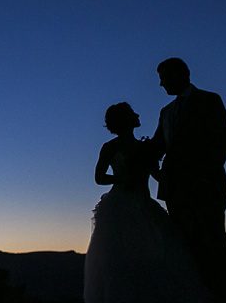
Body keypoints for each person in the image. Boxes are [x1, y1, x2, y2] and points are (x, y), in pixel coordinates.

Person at [84, 102, 207, 303]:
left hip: (144, 204)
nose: (137, 115)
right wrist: (121, 178)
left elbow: (157, 175)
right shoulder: (110, 147)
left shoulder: (145, 148)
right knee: (120, 260)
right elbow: (99, 178)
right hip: (119, 207)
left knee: (156, 257)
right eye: (132, 114)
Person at [151, 57, 226, 300]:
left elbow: (221, 143)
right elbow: (158, 147)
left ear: (182, 74)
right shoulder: (166, 112)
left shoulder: (209, 100)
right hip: (175, 191)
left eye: (164, 78)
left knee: (213, 245)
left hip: (206, 188)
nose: (161, 85)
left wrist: (204, 177)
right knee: (185, 248)